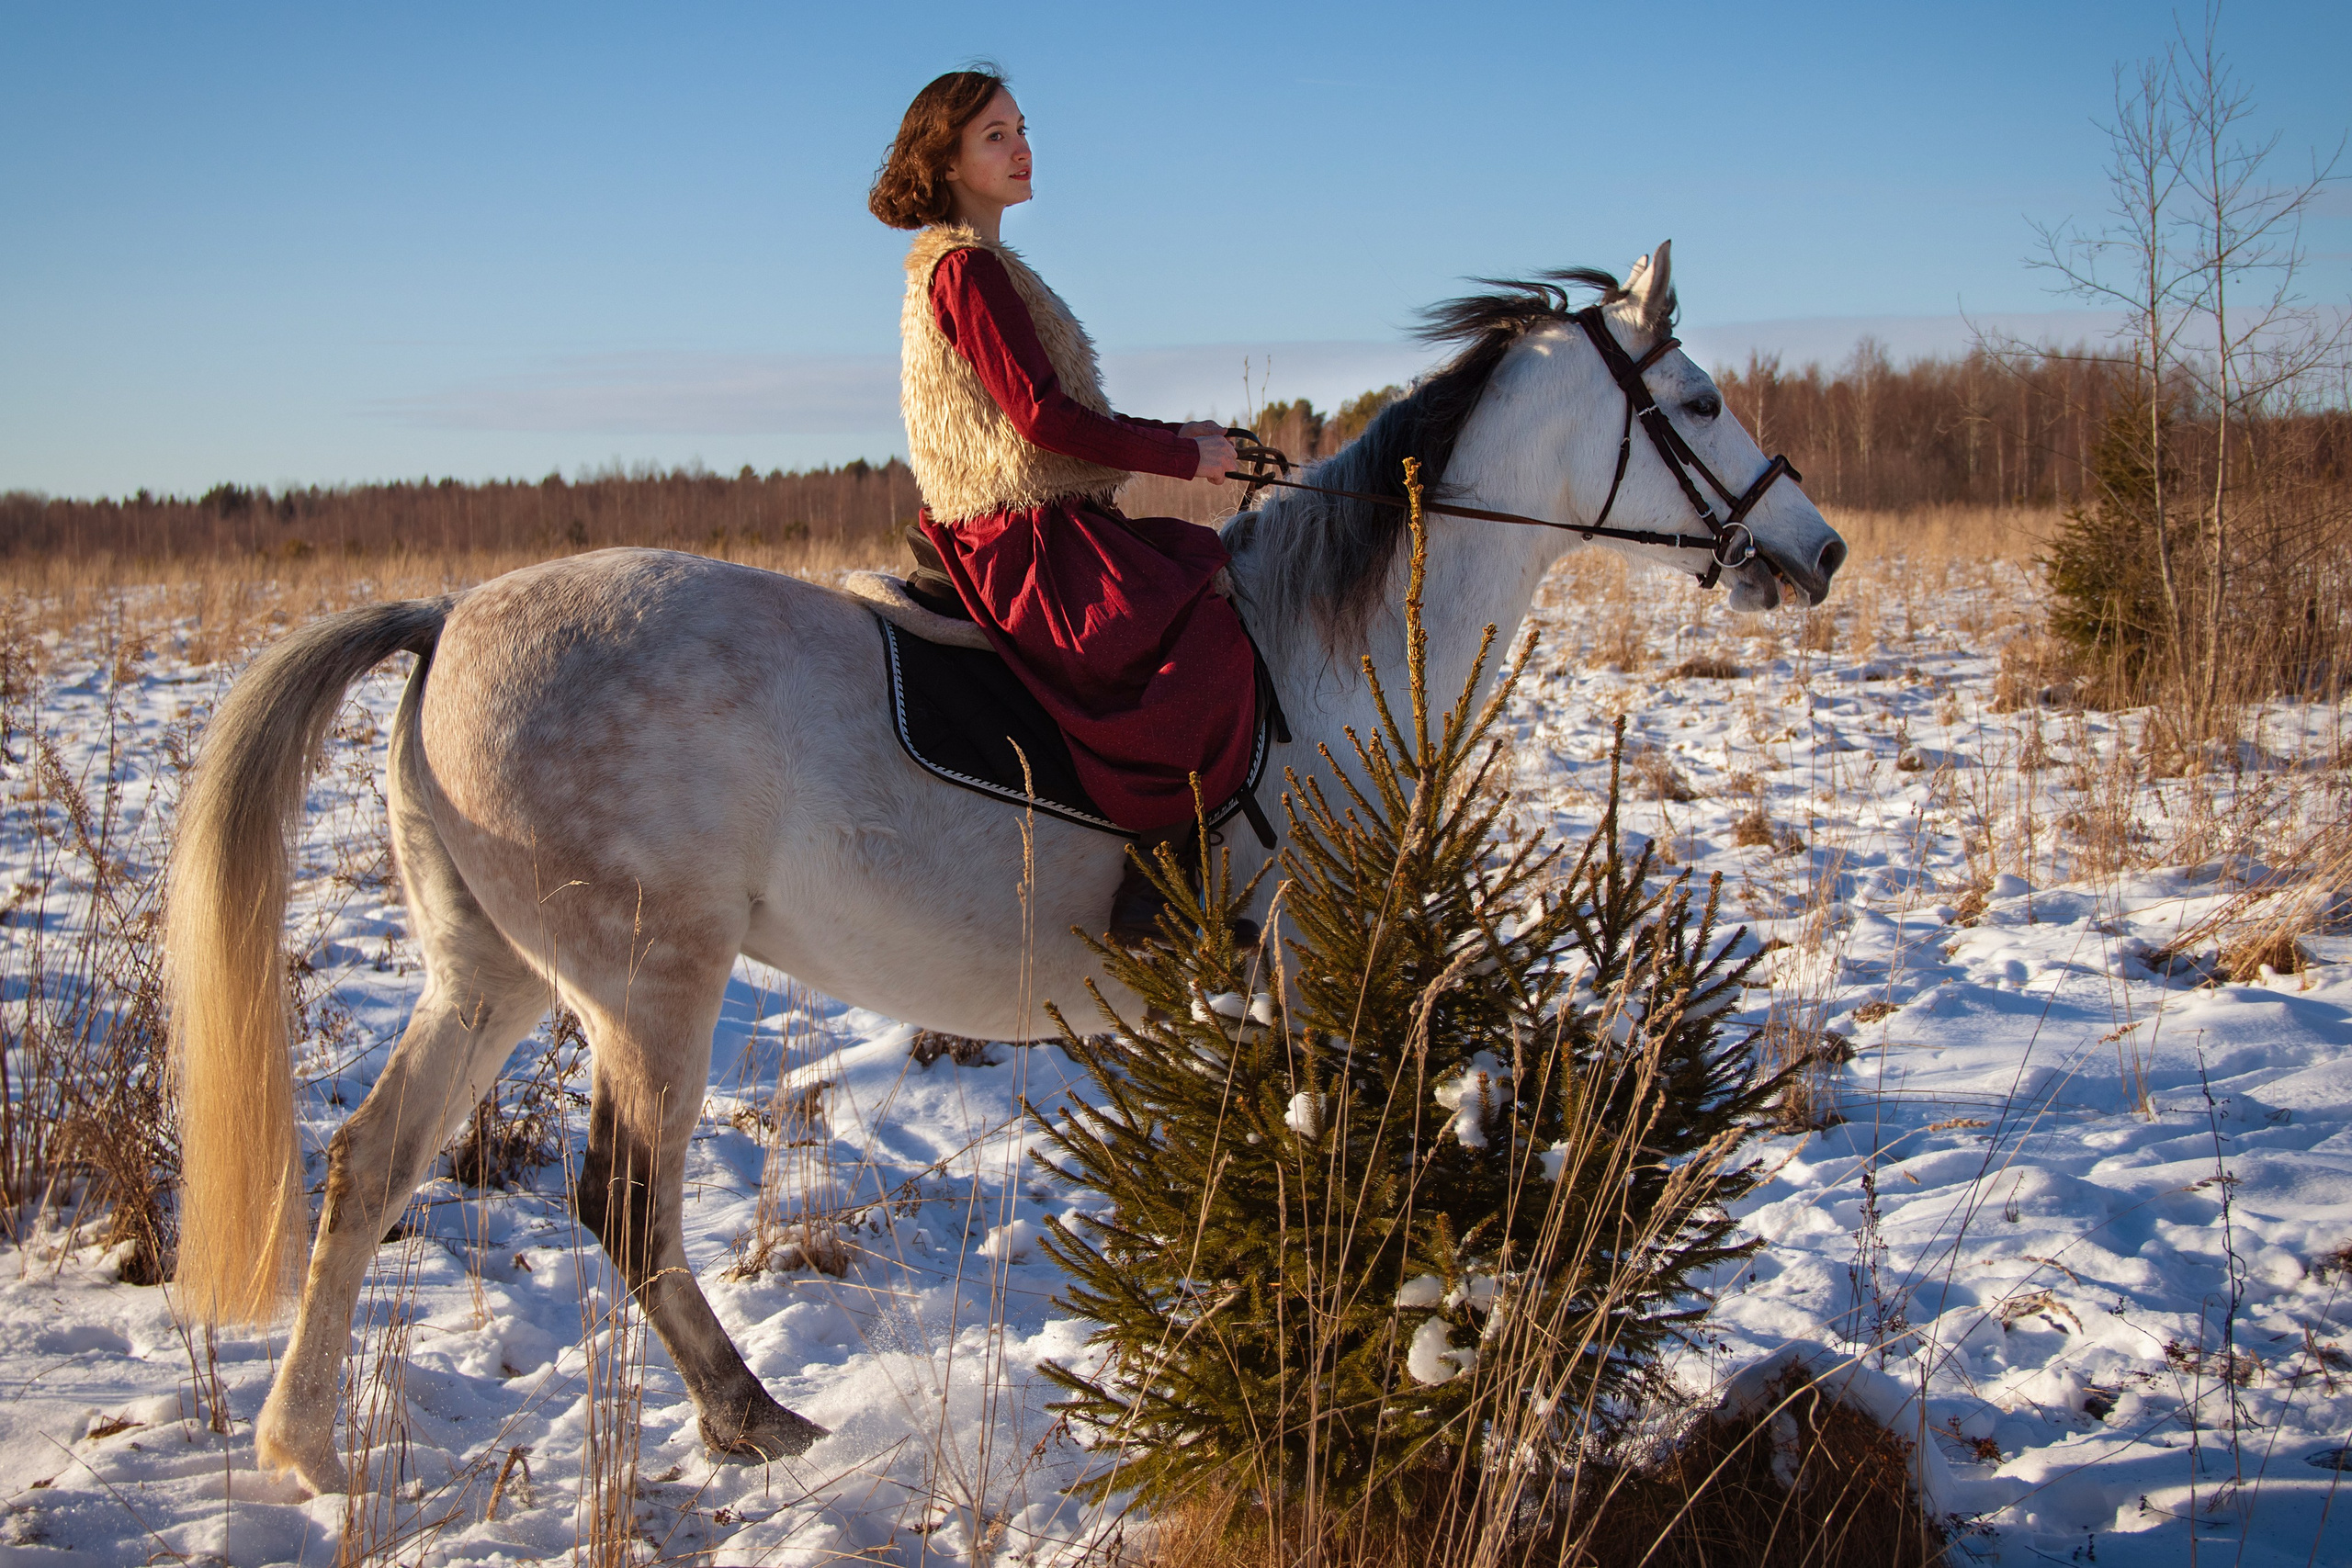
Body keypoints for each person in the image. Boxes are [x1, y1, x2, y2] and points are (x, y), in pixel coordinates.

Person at [868, 67, 1259, 943]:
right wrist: (1180, 457)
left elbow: (1056, 410)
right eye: (995, 136)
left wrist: (1181, 433)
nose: (1021, 148)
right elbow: (1041, 419)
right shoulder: (969, 270)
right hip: (1019, 534)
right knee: (1196, 654)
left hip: (1039, 515)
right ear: (950, 161)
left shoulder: (985, 265)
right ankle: (1155, 896)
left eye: (1020, 128)